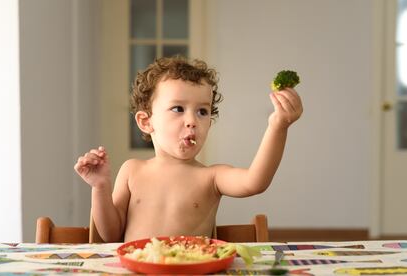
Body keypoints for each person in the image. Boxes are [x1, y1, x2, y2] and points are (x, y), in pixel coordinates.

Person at [74, 56, 303, 242]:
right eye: (178, 108)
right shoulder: (132, 171)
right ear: (146, 121)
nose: (192, 120)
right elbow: (111, 234)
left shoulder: (211, 177)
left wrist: (278, 126)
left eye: (202, 111)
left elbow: (256, 181)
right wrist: (100, 187)